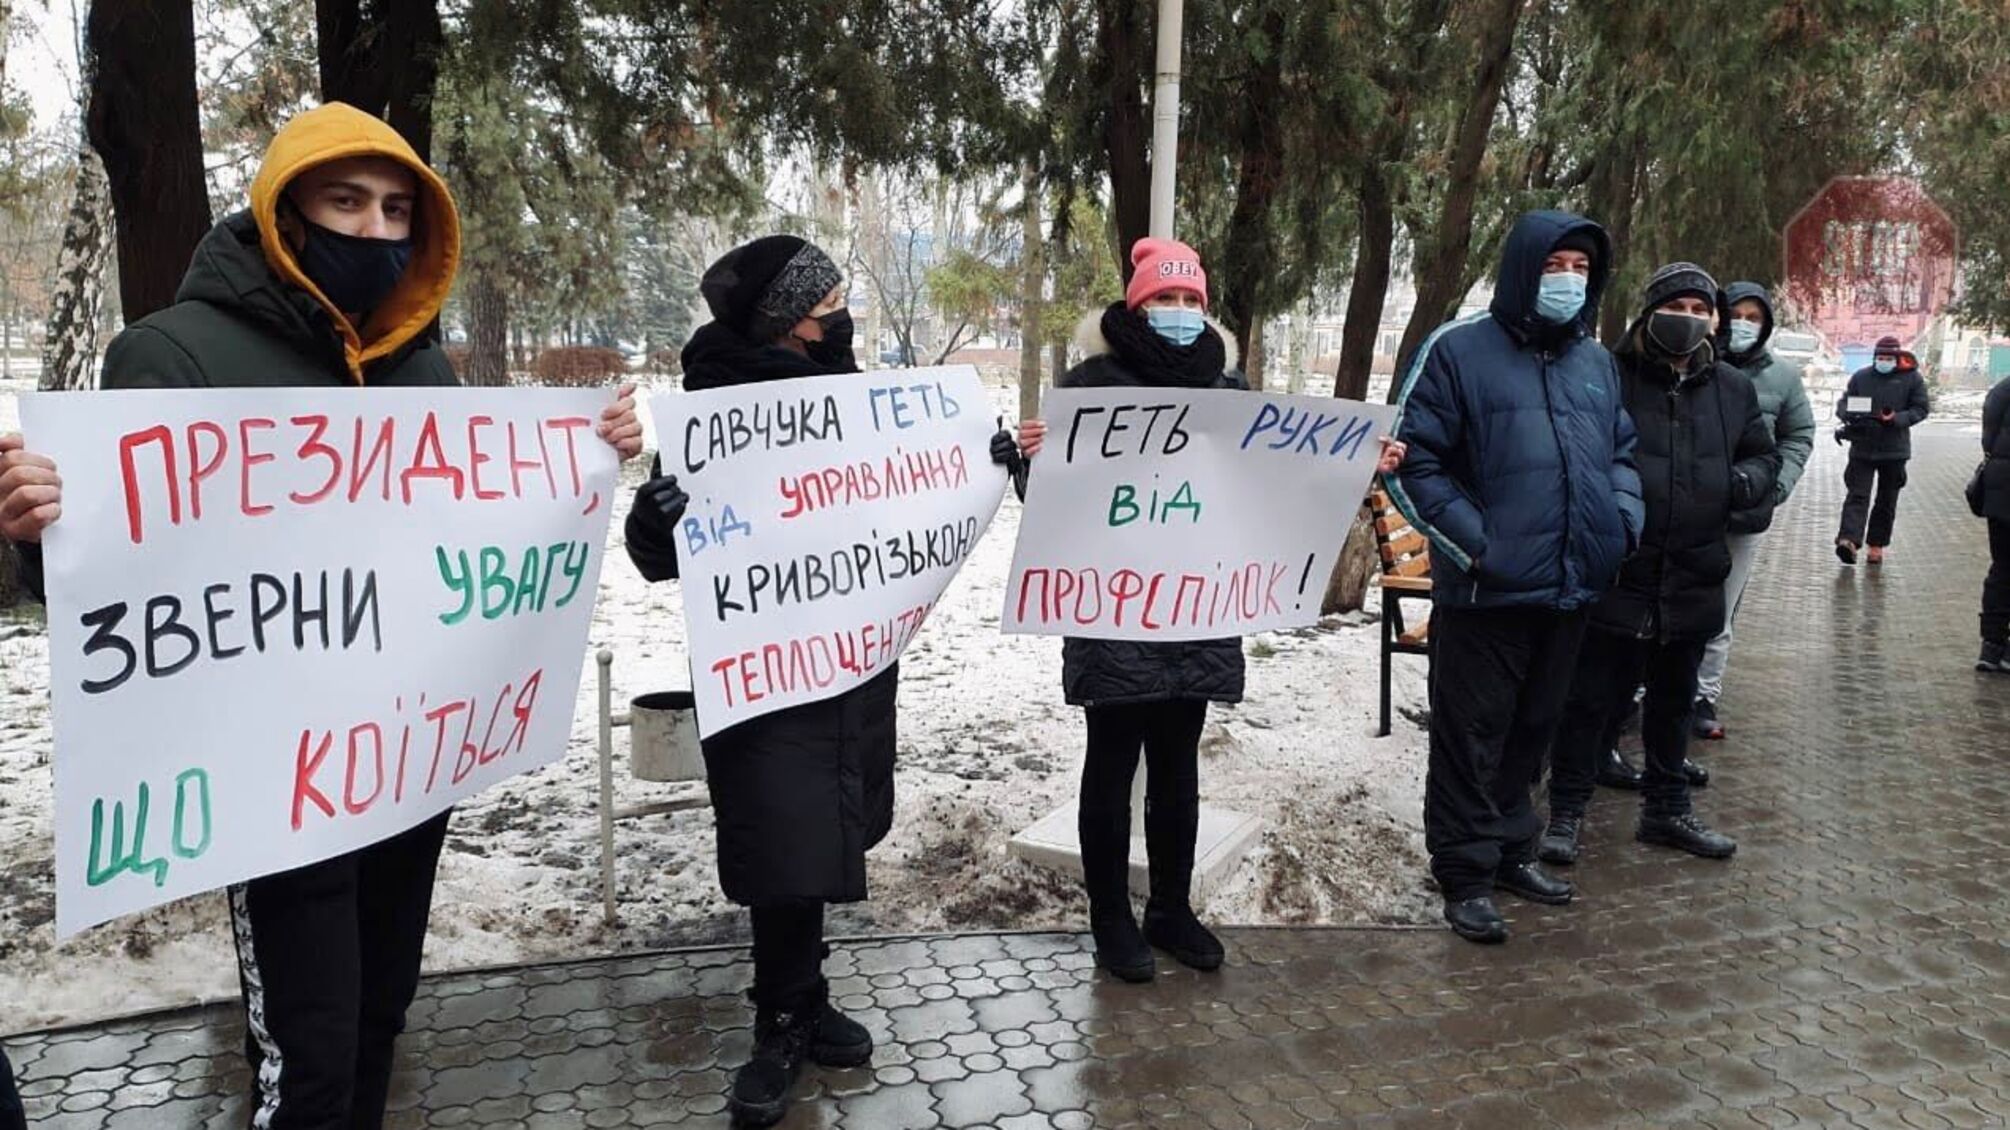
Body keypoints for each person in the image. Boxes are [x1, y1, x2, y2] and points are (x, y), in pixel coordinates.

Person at [0, 103, 644, 1130]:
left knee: (381, 1016)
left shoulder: (419, 363)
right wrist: (36, 530)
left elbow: (468, 522)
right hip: (271, 787)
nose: (376, 231)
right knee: (307, 1059)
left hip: (401, 763)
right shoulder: (169, 355)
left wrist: (585, 450)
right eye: (346, 202)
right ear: (284, 212)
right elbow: (111, 576)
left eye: (397, 210)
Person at [1000, 240, 1401, 980]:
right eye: (1164, 299)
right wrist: (1027, 460)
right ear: (1135, 304)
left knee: (1180, 766)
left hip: (1198, 613)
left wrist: (1356, 464)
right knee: (1112, 765)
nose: (1179, 313)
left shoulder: (1230, 390)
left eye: (1190, 301)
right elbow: (1055, 506)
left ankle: (1172, 909)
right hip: (1116, 613)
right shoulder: (1093, 386)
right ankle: (1111, 919)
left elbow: (1280, 484)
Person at [626, 234, 942, 1128]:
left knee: (826, 826)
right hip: (763, 669)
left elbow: (912, 501)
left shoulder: (861, 405)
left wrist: (977, 465)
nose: (845, 316)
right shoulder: (713, 413)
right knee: (780, 837)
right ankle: (779, 1018)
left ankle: (806, 995)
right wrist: (654, 525)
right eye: (831, 302)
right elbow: (657, 561)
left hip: (845, 660)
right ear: (792, 322)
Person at [1390, 211, 1643, 945]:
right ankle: (1465, 874)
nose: (1569, 279)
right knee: (1472, 735)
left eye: (1582, 268)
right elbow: (1417, 462)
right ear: (1524, 265)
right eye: (1556, 263)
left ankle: (1511, 851)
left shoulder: (1593, 363)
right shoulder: (1458, 350)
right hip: (1486, 591)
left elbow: (1620, 453)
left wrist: (1621, 522)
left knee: (1535, 726)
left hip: (1571, 586)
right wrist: (1480, 547)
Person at [1540, 264, 1777, 868]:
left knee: (1673, 704)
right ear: (1651, 312)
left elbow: (1761, 454)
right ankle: (1566, 812)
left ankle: (1666, 812)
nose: (1690, 319)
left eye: (1702, 310)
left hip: (1695, 572)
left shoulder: (1731, 387)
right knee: (1591, 702)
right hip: (1620, 571)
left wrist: (1743, 483)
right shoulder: (1610, 376)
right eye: (1679, 306)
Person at [1690, 283, 1816, 741]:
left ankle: (1702, 694)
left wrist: (1774, 487)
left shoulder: (1781, 376)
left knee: (1721, 607)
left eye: (1754, 317)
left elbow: (1799, 433)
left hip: (1742, 512)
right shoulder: (1693, 359)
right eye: (1735, 314)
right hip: (1682, 506)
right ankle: (1643, 690)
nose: (1743, 323)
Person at [1834, 335, 1930, 565]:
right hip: (1863, 447)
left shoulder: (1912, 379)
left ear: (1897, 358)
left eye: (1888, 357)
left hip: (1894, 451)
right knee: (1857, 495)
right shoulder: (1861, 377)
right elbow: (1845, 402)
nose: (1883, 361)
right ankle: (1848, 540)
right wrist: (1848, 413)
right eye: (1880, 357)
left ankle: (1876, 545)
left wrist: (1897, 418)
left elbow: (1921, 409)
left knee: (1886, 500)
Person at [1978, 374, 2010, 672]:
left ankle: (1991, 646)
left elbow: (1987, 436)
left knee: (2002, 567)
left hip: (2000, 491)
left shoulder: (2004, 387)